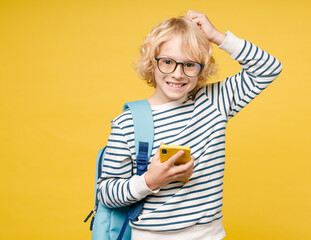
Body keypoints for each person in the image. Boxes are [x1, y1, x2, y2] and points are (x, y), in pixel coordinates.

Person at [97, 10, 282, 240]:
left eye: (189, 65)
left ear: (202, 69)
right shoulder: (128, 123)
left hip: (209, 235)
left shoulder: (214, 103)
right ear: (151, 63)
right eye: (167, 62)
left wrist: (217, 36)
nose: (177, 73)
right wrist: (151, 181)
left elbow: (269, 68)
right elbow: (106, 193)